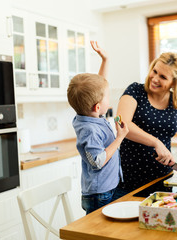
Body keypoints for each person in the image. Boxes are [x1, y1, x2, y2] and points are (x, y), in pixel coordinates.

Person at [116, 52, 177, 193]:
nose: (155, 78)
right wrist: (156, 142)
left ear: (174, 83)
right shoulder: (135, 91)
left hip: (163, 178)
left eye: (163, 77)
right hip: (130, 176)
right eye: (155, 71)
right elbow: (123, 123)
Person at [67, 41, 129, 214]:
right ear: (97, 107)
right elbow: (97, 162)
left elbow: (99, 88)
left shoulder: (90, 116)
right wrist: (119, 137)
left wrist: (105, 60)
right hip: (100, 194)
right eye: (107, 97)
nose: (109, 99)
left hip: (108, 188)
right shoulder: (89, 130)